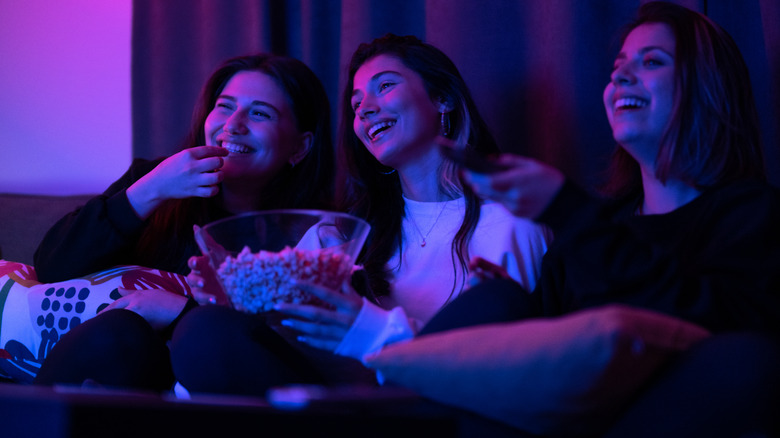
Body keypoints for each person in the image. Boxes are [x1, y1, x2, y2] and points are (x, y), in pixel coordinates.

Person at [413, 2, 780, 436]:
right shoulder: (597, 230)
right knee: (494, 304)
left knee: (743, 359)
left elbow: (724, 333)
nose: (620, 77)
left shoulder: (752, 213)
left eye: (652, 62)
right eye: (618, 66)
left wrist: (566, 208)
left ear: (707, 85)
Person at [168, 34, 551, 395]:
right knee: (205, 329)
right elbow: (280, 348)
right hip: (334, 410)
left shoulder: (510, 224)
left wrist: (369, 328)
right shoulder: (338, 235)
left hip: (441, 410)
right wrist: (235, 303)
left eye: (385, 86)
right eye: (355, 104)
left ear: (443, 99)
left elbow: (512, 369)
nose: (366, 108)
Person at [33, 53, 336, 391]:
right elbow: (52, 266)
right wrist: (149, 190)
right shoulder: (154, 182)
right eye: (224, 106)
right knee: (117, 330)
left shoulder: (319, 233)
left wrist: (181, 310)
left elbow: (297, 351)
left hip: (228, 385)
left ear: (300, 147)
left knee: (199, 331)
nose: (232, 125)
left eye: (260, 113)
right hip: (133, 378)